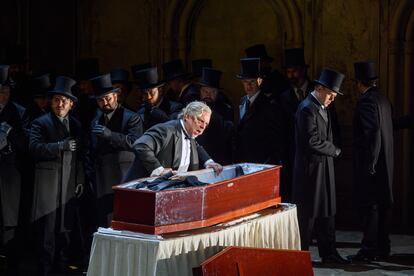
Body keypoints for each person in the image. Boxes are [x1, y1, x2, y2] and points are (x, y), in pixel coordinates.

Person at [292, 68, 349, 264]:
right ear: (318, 88)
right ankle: (300, 256)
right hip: (311, 171)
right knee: (308, 216)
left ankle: (329, 253)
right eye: (331, 95)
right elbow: (311, 141)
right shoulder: (307, 108)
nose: (332, 99)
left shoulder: (323, 107)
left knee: (327, 211)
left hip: (324, 169)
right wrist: (335, 150)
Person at [29, 76, 84, 275]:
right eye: (56, 100)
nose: (60, 104)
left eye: (64, 101)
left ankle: (61, 269)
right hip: (48, 185)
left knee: (65, 232)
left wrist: (79, 179)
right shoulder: (41, 123)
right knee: (47, 234)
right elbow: (34, 148)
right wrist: (59, 146)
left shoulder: (76, 124)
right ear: (51, 102)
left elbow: (80, 157)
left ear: (71, 104)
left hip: (68, 185)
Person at [348, 61, 394, 262]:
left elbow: (373, 132)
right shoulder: (383, 99)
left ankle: (368, 250)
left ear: (359, 83)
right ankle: (383, 248)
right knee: (381, 204)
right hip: (387, 163)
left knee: (370, 206)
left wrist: (371, 162)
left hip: (372, 163)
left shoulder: (366, 102)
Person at [88, 73, 143, 228]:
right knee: (103, 218)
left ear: (116, 96)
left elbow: (135, 142)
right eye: (100, 99)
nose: (105, 102)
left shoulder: (131, 117)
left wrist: (110, 135)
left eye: (108, 98)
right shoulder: (96, 118)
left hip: (123, 173)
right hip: (101, 175)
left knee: (122, 215)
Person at [123, 101, 222, 181]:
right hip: (141, 190)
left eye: (206, 123)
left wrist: (208, 162)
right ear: (187, 116)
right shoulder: (166, 130)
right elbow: (140, 145)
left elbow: (195, 146)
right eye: (200, 120)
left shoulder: (190, 134)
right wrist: (159, 170)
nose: (203, 127)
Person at [0, 64, 27, 274]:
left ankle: (12, 264)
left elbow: (26, 145)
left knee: (10, 220)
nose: (1, 95)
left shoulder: (19, 112)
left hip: (11, 175)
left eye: (5, 91)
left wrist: (9, 136)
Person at [235, 58, 282, 165]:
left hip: (261, 159)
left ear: (259, 81)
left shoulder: (269, 105)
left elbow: (275, 138)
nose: (249, 86)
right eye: (245, 82)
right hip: (243, 158)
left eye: (252, 81)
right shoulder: (242, 101)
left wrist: (269, 161)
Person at [197, 67, 234, 165]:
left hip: (218, 158)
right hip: (198, 158)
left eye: (212, 92)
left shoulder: (226, 109)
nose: (208, 95)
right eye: (205, 91)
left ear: (218, 93)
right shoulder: (194, 108)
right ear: (200, 92)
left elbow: (228, 133)